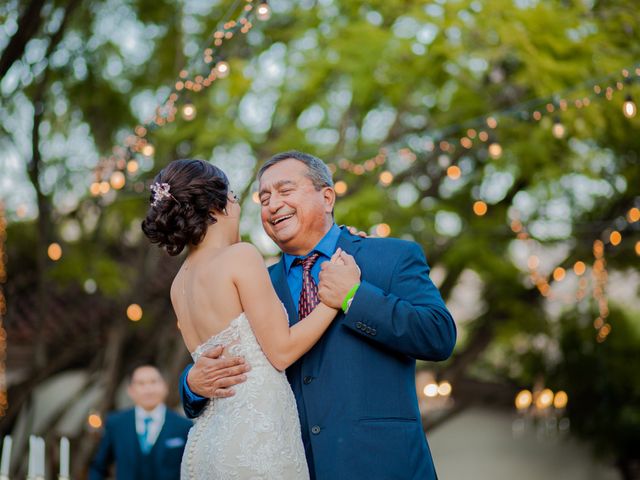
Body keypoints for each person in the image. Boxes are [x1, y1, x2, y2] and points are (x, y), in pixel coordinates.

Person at [180, 151, 457, 479]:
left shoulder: (390, 257)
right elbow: (229, 352)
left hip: (382, 465)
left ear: (327, 197)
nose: (271, 204)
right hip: (293, 466)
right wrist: (191, 384)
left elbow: (439, 335)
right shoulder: (255, 279)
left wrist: (354, 297)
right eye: (263, 197)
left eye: (285, 191)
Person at [141, 159, 348, 479]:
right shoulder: (240, 257)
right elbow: (282, 351)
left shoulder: (178, 284)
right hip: (256, 436)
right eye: (235, 197)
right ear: (217, 205)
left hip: (209, 441)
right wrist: (333, 301)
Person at [89, 364, 192, 480]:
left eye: (153, 382)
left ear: (165, 386)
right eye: (141, 383)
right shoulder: (116, 423)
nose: (148, 389)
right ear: (131, 390)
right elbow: (99, 467)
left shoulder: (183, 426)